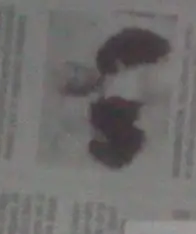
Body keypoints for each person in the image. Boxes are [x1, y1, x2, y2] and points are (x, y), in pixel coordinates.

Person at [57, 26, 172, 170]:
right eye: (73, 80)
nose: (79, 75)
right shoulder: (102, 113)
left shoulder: (108, 55)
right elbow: (119, 156)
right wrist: (95, 146)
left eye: (75, 69)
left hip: (164, 75)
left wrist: (161, 49)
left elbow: (131, 37)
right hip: (160, 116)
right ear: (74, 91)